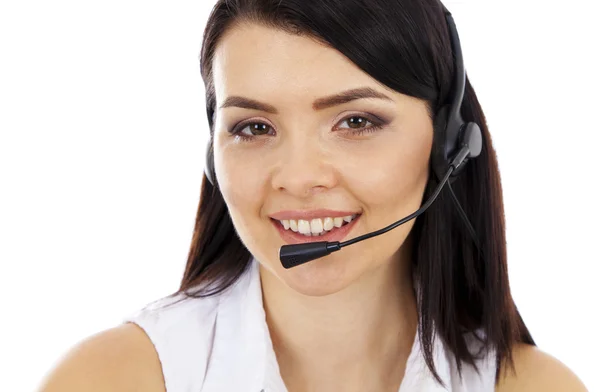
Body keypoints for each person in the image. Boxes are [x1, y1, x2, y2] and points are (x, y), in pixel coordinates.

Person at [39, 0, 587, 391]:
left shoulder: (534, 386)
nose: (298, 178)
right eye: (254, 128)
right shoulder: (107, 380)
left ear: (446, 145)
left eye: (356, 120)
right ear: (213, 156)